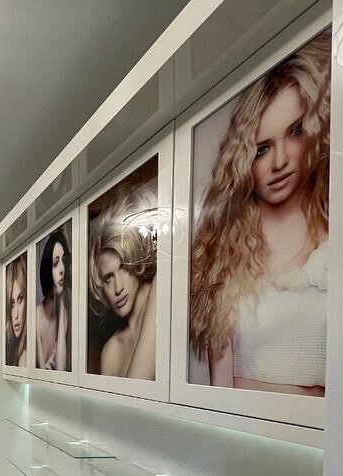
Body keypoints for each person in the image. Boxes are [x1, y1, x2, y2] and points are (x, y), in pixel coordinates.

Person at [190, 31, 329, 397]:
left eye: (295, 132)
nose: (280, 161)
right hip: (247, 430)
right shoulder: (225, 254)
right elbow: (221, 392)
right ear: (243, 160)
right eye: (262, 149)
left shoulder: (342, 243)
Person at [88, 184, 158, 379]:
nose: (118, 288)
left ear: (136, 258)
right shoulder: (111, 351)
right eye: (108, 278)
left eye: (124, 267)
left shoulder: (161, 289)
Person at [35, 225, 72, 371]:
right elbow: (40, 373)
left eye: (63, 261)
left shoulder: (64, 313)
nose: (61, 269)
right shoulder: (37, 315)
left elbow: (61, 368)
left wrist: (61, 305)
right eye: (56, 264)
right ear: (47, 269)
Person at [5, 254, 27, 366]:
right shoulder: (10, 348)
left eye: (20, 299)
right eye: (12, 304)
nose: (16, 315)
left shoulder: (25, 357)